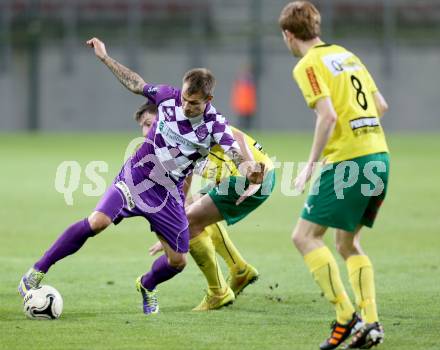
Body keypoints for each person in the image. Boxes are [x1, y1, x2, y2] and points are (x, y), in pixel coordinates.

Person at [18, 37, 265, 315]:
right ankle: (36, 272)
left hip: (167, 194)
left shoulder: (215, 125)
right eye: (184, 98)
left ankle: (147, 285)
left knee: (177, 262)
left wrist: (252, 171)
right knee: (98, 222)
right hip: (137, 175)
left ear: (209, 100)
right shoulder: (168, 97)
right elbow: (137, 83)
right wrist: (105, 58)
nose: (185, 106)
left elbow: (237, 156)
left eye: (194, 103)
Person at [279, 2, 389, 349]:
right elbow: (380, 105)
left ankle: (345, 314)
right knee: (346, 243)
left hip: (349, 162)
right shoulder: (346, 55)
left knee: (304, 237)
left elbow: (326, 116)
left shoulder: (307, 64)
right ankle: (370, 323)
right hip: (379, 156)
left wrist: (312, 163)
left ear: (288, 34)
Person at [149, 125, 276, 311]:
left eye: (148, 123)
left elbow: (237, 136)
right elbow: (188, 188)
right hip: (234, 179)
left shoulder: (190, 126)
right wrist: (175, 227)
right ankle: (240, 270)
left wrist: (250, 172)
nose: (146, 130)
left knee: (191, 222)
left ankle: (218, 292)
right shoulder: (176, 144)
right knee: (192, 217)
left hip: (248, 179)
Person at [230, 65, 257, 130]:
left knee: (246, 121)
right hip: (243, 105)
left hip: (247, 105)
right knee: (243, 121)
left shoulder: (248, 80)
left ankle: (243, 133)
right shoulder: (243, 81)